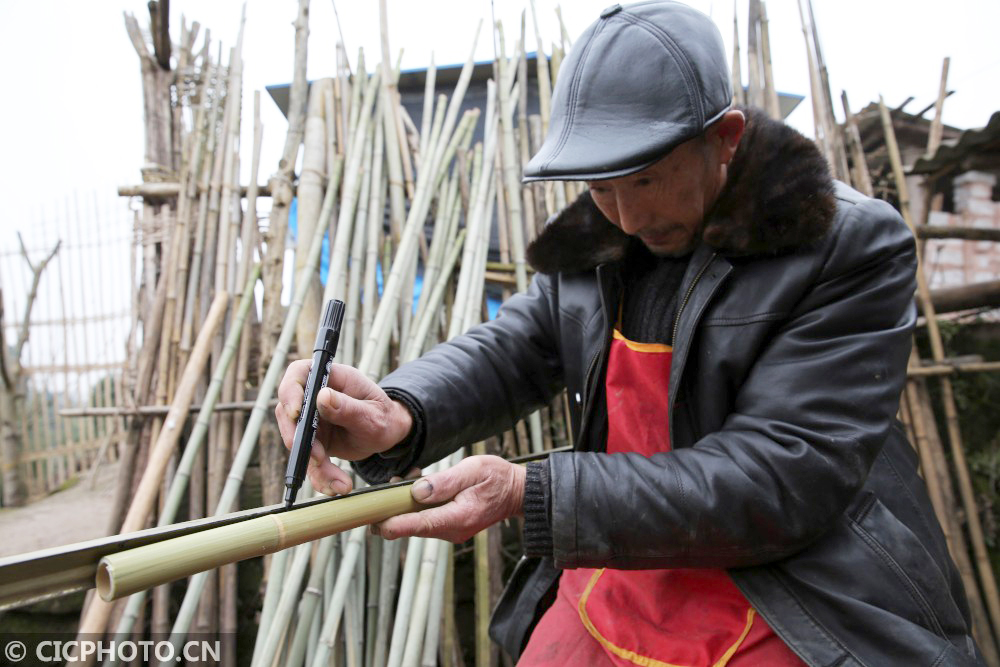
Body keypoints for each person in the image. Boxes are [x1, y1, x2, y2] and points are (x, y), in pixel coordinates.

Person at [276, 2, 984, 665]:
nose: (625, 215)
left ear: (724, 139)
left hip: (793, 582)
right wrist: (401, 413)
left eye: (645, 180)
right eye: (600, 188)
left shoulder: (843, 245)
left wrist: (534, 491)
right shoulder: (598, 240)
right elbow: (517, 346)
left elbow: (780, 475)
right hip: (626, 555)